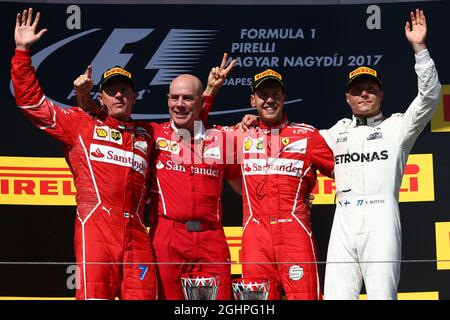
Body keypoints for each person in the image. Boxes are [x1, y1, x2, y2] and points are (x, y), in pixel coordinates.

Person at [11, 8, 157, 300]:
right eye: (111, 90)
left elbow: (189, 128)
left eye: (125, 90)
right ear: (99, 96)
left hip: (138, 236)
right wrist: (22, 52)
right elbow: (31, 103)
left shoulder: (149, 133)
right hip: (97, 231)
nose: (118, 96)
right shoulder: (81, 124)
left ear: (135, 95)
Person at [73, 56, 240, 300]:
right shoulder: (150, 133)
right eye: (175, 98)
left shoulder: (221, 138)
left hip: (211, 237)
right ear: (167, 100)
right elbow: (105, 125)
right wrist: (83, 98)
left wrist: (215, 94)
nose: (180, 104)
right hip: (167, 235)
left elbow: (194, 123)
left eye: (187, 98)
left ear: (199, 102)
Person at [320, 9, 441, 300]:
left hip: (381, 218)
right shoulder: (335, 132)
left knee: (382, 295)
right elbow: (292, 141)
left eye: (371, 89)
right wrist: (253, 124)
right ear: (347, 97)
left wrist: (420, 49)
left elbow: (430, 96)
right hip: (344, 218)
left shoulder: (397, 127)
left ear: (381, 95)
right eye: (357, 90)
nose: (364, 94)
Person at [238, 69, 335, 299]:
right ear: (253, 100)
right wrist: (211, 91)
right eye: (263, 94)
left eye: (275, 94)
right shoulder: (240, 136)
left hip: (294, 236)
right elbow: (195, 139)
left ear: (284, 98)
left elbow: (346, 172)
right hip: (255, 240)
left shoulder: (307, 135)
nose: (269, 100)